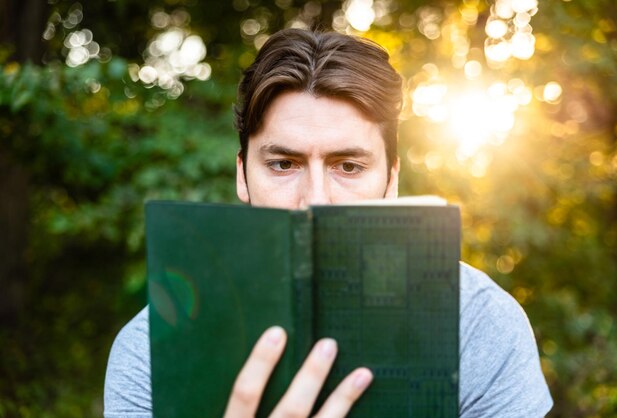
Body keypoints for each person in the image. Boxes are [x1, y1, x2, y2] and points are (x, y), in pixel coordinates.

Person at [104, 29, 553, 417]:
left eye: (349, 166)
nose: (315, 200)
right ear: (242, 174)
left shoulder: (480, 325)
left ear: (391, 177)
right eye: (283, 164)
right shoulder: (150, 354)